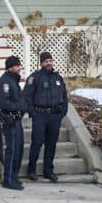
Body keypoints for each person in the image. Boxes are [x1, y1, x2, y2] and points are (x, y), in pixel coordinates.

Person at [23, 52, 68, 183]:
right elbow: (26, 96)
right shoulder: (34, 77)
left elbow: (64, 96)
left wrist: (62, 112)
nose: (49, 63)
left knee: (51, 144)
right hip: (40, 115)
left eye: (50, 60)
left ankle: (48, 171)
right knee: (37, 142)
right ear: (41, 63)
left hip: (55, 116)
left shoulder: (58, 78)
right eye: (45, 61)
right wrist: (33, 113)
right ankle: (31, 170)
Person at [0, 55, 26, 190]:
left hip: (17, 120)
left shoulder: (14, 81)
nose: (19, 68)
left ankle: (14, 176)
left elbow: (19, 99)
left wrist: (23, 107)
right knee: (12, 150)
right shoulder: (5, 82)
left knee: (19, 150)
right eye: (17, 66)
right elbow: (3, 102)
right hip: (10, 120)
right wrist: (18, 107)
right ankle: (8, 180)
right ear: (10, 67)